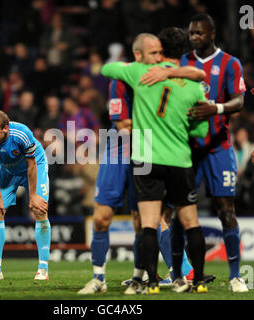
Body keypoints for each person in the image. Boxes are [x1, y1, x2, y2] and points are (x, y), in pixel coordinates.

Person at [101, 30, 209, 294]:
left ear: (160, 49)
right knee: (190, 223)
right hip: (180, 160)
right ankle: (195, 280)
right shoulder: (193, 84)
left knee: (149, 222)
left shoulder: (142, 75)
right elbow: (201, 132)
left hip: (147, 158)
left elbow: (107, 69)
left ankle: (151, 283)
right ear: (185, 52)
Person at [180, 13, 248, 293]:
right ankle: (182, 274)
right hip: (187, 149)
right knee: (180, 211)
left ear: (212, 34)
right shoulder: (183, 62)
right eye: (191, 33)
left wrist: (216, 108)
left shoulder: (230, 63)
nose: (194, 37)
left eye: (199, 33)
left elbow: (239, 100)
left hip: (219, 147)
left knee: (226, 210)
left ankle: (235, 276)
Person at [0, 110, 51, 281]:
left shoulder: (22, 134)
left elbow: (31, 164)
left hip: (33, 167)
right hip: (7, 169)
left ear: (5, 129)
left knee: (38, 209)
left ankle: (43, 267)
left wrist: (32, 195)